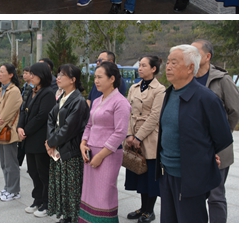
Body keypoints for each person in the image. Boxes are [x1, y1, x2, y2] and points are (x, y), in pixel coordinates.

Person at [157, 45, 232, 222]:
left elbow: (222, 137)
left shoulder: (206, 98)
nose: (168, 67)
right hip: (166, 173)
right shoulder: (169, 93)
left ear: (191, 68)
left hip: (189, 178)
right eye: (168, 62)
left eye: (174, 63)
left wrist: (206, 155)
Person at [191, 40, 239, 222]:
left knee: (215, 196)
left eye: (195, 52)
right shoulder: (188, 78)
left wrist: (221, 135)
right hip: (194, 148)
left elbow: (235, 111)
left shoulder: (222, 79)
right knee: (194, 195)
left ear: (207, 56)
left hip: (218, 148)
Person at [78, 61, 131, 222]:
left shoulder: (120, 102)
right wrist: (83, 143)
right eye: (95, 77)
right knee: (89, 192)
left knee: (104, 194)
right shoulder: (97, 100)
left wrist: (101, 155)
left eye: (100, 77)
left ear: (112, 79)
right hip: (90, 151)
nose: (96, 81)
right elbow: (89, 124)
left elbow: (120, 132)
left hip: (108, 154)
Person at [124, 56, 166, 223]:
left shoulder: (160, 90)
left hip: (149, 137)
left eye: (143, 65)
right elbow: (128, 112)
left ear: (153, 69)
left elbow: (155, 116)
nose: (140, 68)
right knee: (139, 173)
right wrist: (129, 135)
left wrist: (139, 136)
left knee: (150, 176)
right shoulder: (134, 87)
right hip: (133, 135)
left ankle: (149, 210)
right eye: (139, 65)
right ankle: (142, 208)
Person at [45, 64, 89, 222]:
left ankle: (74, 217)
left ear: (73, 80)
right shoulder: (62, 97)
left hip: (70, 150)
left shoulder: (79, 101)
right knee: (61, 185)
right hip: (58, 146)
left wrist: (51, 142)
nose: (58, 78)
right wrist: (50, 141)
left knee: (71, 187)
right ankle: (66, 215)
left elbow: (69, 129)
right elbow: (51, 118)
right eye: (58, 75)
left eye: (62, 75)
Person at [16, 62, 55, 208]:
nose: (30, 76)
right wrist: (20, 127)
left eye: (33, 74)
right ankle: (37, 199)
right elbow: (23, 110)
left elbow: (42, 116)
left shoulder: (48, 93)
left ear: (42, 75)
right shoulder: (32, 91)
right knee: (33, 171)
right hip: (29, 139)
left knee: (42, 172)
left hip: (39, 138)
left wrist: (25, 130)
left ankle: (46, 202)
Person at [0, 64, 22, 202]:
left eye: (2, 72)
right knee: (3, 163)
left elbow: (6, 115)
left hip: (7, 131)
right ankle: (8, 187)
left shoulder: (14, 91)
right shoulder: (1, 90)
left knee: (10, 163)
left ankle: (14, 190)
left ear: (11, 74)